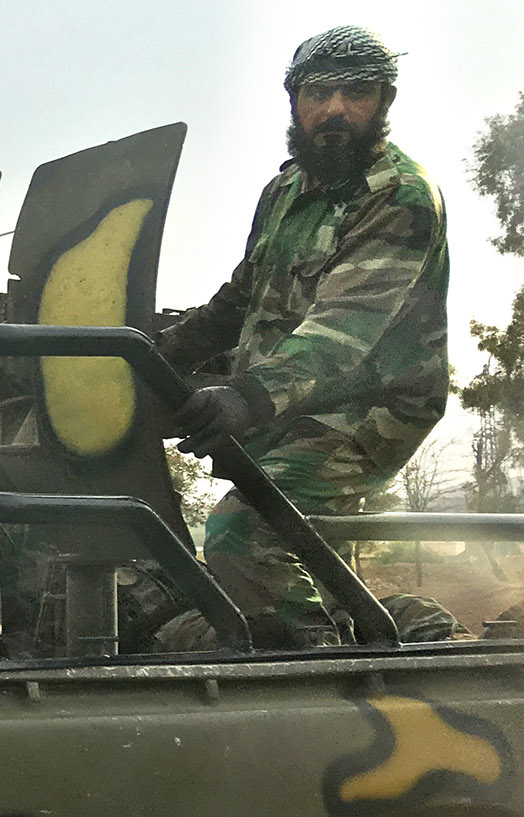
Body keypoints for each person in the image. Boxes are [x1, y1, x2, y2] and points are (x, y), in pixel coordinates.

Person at [158, 25, 450, 648]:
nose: (336, 109)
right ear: (294, 102)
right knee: (258, 557)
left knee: (244, 533)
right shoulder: (285, 189)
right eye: (320, 93)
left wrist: (243, 397)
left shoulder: (401, 197)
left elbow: (342, 332)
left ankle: (323, 681)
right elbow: (242, 297)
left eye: (357, 93)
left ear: (384, 103)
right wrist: (160, 355)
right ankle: (359, 627)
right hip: (290, 394)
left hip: (370, 407)